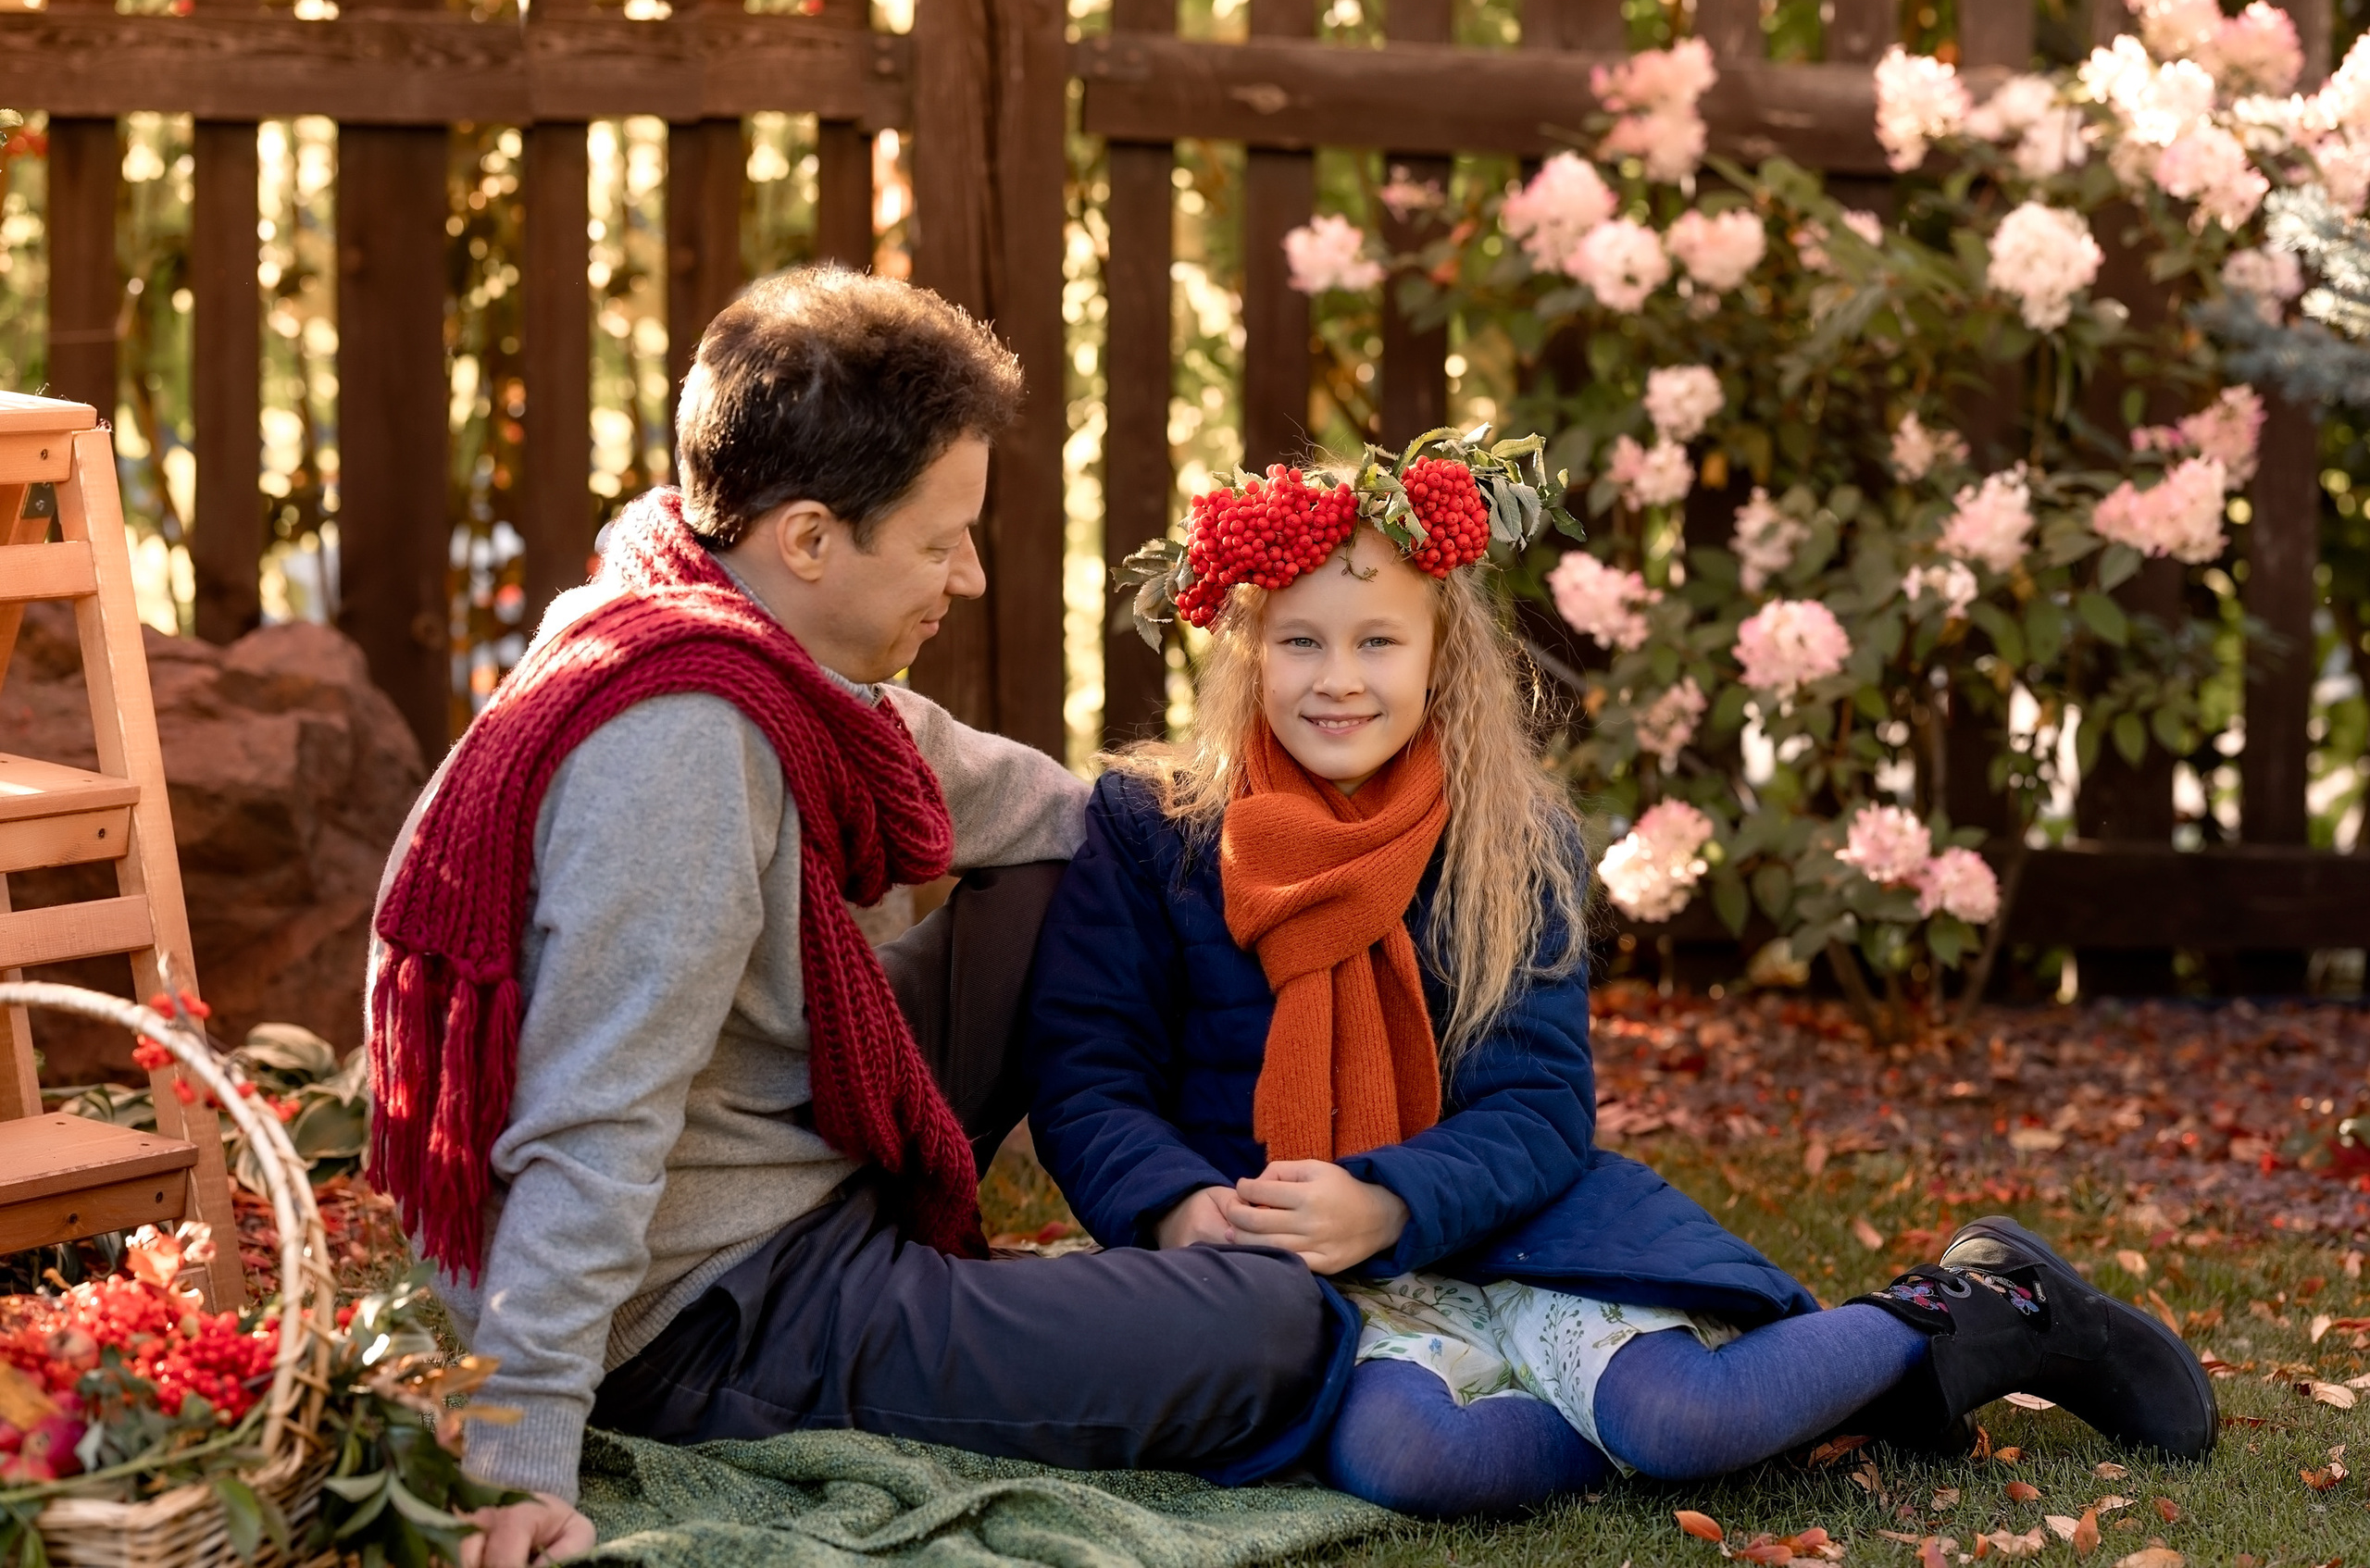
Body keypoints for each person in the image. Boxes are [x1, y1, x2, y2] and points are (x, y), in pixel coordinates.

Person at [1024, 436, 2218, 1518]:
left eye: (1377, 640)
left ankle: (1981, 1307)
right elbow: (1087, 1078)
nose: (1338, 677)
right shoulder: (1154, 830)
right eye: (1301, 642)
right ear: (1247, 652)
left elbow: (1539, 1107)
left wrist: (1388, 1199)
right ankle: (1793, 1408)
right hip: (1283, 1279)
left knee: (1680, 1416)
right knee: (1412, 1464)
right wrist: (1180, 1208)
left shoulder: (1509, 840)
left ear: (1441, 657)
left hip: (1511, 1224)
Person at [365, 268, 1352, 1568]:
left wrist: (1321, 850)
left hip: (782, 1160)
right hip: (710, 1306)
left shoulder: (733, 630)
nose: (973, 575)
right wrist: (517, 1452)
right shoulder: (682, 749)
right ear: (813, 539)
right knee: (1272, 1332)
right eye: (944, 540)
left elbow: (1043, 813)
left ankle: (1203, 1195)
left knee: (1084, 872)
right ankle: (1119, 1295)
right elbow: (590, 1122)